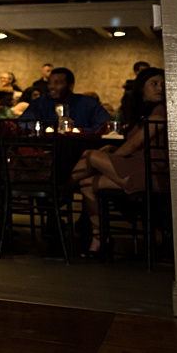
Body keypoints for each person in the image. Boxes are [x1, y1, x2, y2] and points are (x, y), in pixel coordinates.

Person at [71, 67, 166, 259]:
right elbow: (131, 148)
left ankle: (62, 190)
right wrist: (109, 152)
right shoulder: (144, 113)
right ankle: (100, 240)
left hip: (153, 173)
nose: (160, 88)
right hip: (139, 168)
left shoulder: (160, 112)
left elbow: (131, 147)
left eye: (163, 84)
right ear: (141, 89)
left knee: (90, 155)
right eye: (154, 84)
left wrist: (108, 155)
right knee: (87, 183)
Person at [17, 67, 112, 132]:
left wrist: (77, 130)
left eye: (57, 83)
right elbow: (23, 123)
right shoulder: (41, 103)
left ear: (70, 86)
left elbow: (106, 126)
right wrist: (49, 129)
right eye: (50, 83)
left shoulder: (86, 104)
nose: (52, 87)